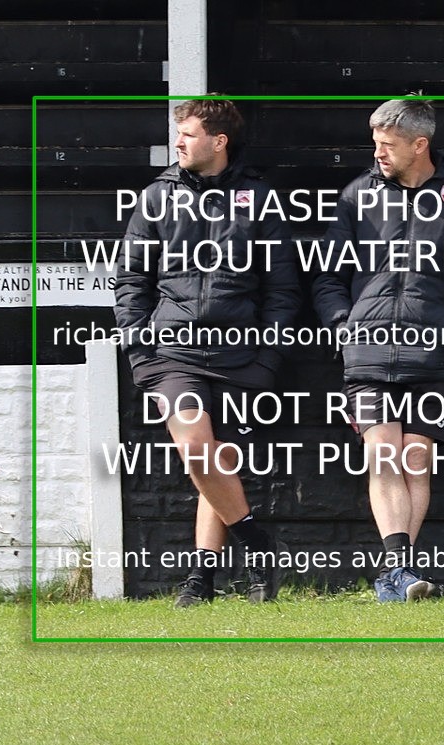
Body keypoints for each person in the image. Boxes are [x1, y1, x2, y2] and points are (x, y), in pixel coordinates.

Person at [114, 97, 300, 606]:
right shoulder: (155, 196)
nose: (178, 143)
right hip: (173, 350)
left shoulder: (260, 197)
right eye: (178, 134)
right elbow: (131, 277)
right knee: (197, 449)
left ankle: (201, 581)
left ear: (219, 141)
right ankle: (258, 544)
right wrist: (139, 346)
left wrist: (268, 358)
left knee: (217, 467)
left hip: (242, 355)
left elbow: (282, 288)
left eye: (188, 134)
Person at [312, 99, 444, 602]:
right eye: (374, 142)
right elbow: (327, 275)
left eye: (388, 145)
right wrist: (342, 324)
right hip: (367, 355)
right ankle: (399, 572)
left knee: (416, 461)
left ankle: (397, 577)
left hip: (432, 355)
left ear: (421, 145)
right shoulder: (357, 195)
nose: (378, 153)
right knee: (383, 456)